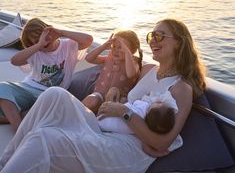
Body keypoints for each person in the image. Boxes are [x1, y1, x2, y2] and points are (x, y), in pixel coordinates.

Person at [0, 18, 206, 173]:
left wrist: (124, 112)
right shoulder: (148, 70)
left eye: (159, 36)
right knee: (55, 94)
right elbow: (132, 98)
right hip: (105, 127)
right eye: (151, 36)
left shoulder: (181, 88)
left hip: (126, 148)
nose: (152, 40)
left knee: (44, 138)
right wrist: (117, 97)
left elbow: (161, 143)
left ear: (179, 43)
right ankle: (5, 163)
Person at [0, 18, 93, 131]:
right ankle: (19, 129)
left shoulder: (68, 46)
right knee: (2, 88)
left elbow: (88, 39)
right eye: (36, 40)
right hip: (29, 88)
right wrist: (39, 45)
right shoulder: (36, 51)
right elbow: (15, 61)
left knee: (56, 111)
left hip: (51, 94)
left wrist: (61, 32)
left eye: (43, 36)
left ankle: (10, 117)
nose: (45, 42)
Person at [82, 30, 143, 113]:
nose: (116, 50)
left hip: (117, 99)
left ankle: (101, 119)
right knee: (92, 99)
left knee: (121, 100)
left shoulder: (134, 62)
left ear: (131, 50)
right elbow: (88, 58)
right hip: (99, 96)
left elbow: (131, 74)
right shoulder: (109, 58)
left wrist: (127, 52)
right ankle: (76, 116)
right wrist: (104, 46)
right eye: (114, 46)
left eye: (121, 47)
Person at [98, 90, 179, 137]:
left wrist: (120, 108)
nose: (159, 102)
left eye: (159, 104)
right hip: (105, 125)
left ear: (148, 111)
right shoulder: (146, 125)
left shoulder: (144, 107)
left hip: (103, 117)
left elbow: (135, 103)